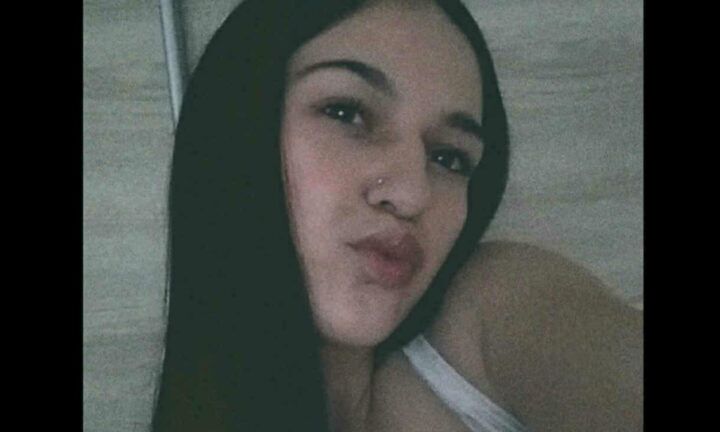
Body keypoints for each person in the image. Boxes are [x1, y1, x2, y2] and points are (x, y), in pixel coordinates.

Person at [152, 0, 643, 431]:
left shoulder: (492, 313)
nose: (412, 194)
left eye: (449, 157)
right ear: (239, 129)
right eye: (346, 113)